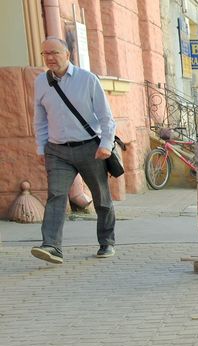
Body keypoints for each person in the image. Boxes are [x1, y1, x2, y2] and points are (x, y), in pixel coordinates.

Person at [31, 36, 117, 264]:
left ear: (67, 55)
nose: (50, 58)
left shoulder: (88, 80)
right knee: (56, 196)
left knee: (101, 197)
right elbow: (39, 119)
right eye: (45, 53)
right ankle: (51, 246)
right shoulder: (41, 82)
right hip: (57, 150)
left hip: (90, 148)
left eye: (55, 53)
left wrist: (106, 145)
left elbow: (107, 117)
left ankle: (106, 242)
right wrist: (41, 148)